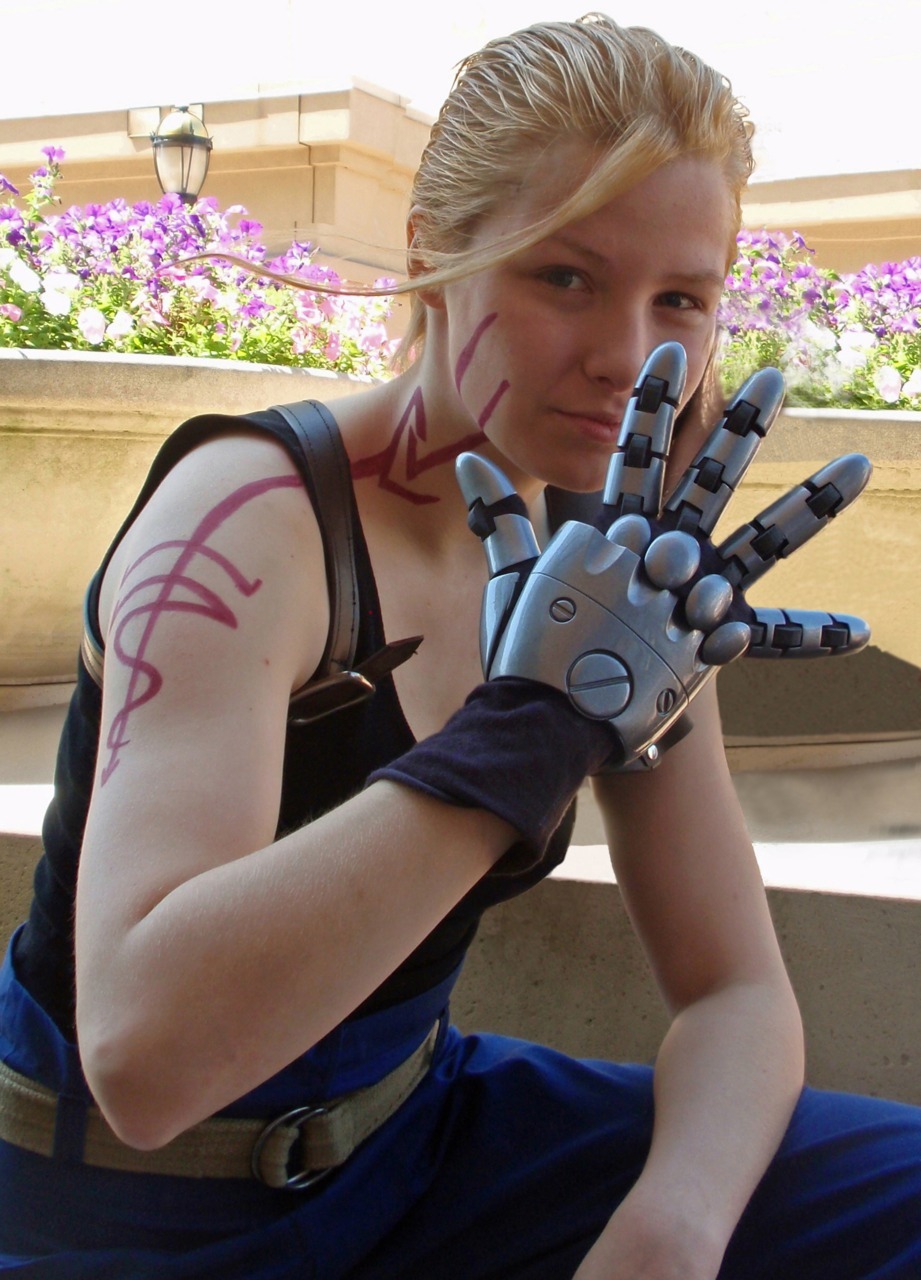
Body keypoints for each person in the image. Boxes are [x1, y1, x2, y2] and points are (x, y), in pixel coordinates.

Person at [1, 12, 920, 1279]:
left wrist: (672, 1226)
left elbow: (736, 992)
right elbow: (144, 1060)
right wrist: (533, 727)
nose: (627, 356)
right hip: (126, 1206)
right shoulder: (252, 522)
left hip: (419, 1141)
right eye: (564, 277)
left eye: (681, 298)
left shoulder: (617, 557)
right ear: (433, 256)